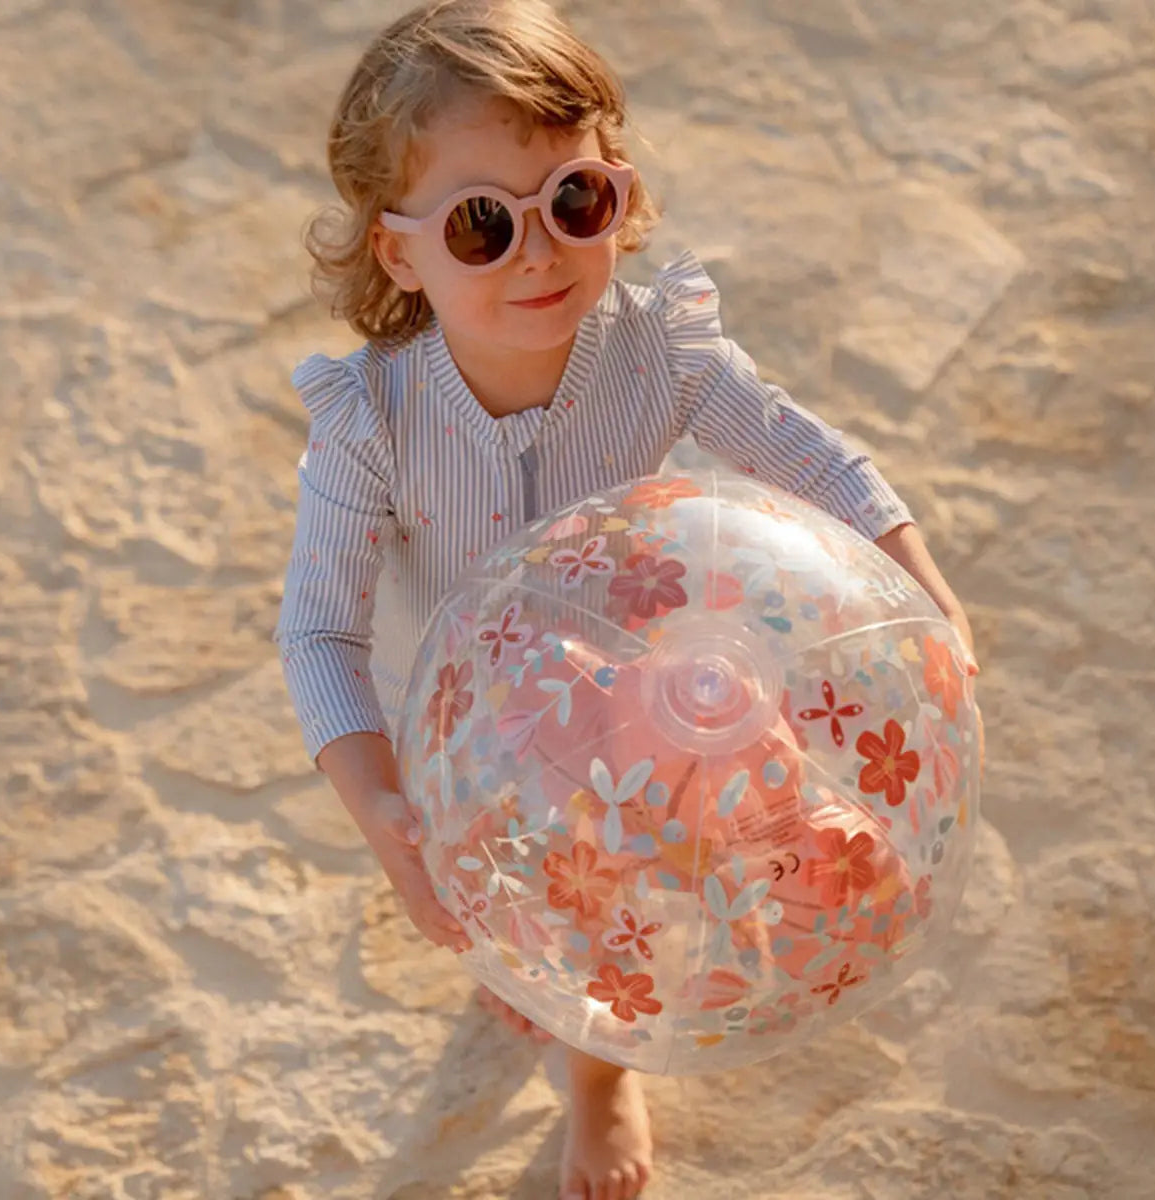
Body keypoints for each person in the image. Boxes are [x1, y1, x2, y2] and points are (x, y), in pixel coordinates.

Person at [274, 2, 980, 1196]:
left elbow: (813, 457)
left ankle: (679, 995)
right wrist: (381, 807)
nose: (539, 253)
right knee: (550, 913)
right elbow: (317, 630)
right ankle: (586, 1059)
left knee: (678, 858)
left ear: (619, 194)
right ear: (399, 253)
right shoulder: (376, 428)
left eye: (575, 202)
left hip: (659, 681)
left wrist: (925, 592)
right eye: (482, 225)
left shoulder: (661, 350)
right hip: (471, 735)